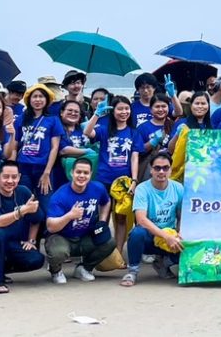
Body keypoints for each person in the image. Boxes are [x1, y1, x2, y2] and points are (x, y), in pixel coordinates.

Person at [0, 161, 44, 292]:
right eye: (6, 177)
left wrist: (31, 240)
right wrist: (21, 211)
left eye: (14, 177)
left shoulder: (23, 192)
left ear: (19, 177)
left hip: (11, 243)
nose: (10, 181)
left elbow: (37, 218)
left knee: (36, 259)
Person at [45, 158, 115, 284]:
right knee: (58, 253)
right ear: (72, 173)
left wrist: (102, 221)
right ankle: (55, 270)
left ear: (91, 174)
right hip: (62, 236)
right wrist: (69, 216)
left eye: (85, 173)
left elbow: (106, 201)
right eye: (78, 172)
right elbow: (51, 226)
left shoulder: (98, 188)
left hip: (85, 236)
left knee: (109, 241)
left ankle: (84, 268)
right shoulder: (60, 195)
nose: (82, 176)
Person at [123, 151, 184, 287]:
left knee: (189, 241)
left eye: (165, 168)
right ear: (151, 170)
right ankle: (132, 271)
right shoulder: (142, 189)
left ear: (170, 170)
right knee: (137, 233)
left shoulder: (178, 188)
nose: (161, 172)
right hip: (150, 237)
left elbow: (182, 216)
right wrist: (166, 236)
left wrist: (180, 233)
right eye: (157, 168)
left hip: (170, 235)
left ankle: (164, 263)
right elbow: (141, 220)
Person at [89, 95, 142, 248]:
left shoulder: (133, 133)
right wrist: (96, 114)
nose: (124, 112)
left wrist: (134, 180)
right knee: (102, 218)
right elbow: (87, 132)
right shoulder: (104, 130)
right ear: (113, 111)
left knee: (120, 218)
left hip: (123, 182)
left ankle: (118, 253)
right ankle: (101, 251)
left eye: (127, 108)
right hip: (103, 179)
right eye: (120, 109)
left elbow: (134, 157)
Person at [13, 83, 62, 208]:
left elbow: (54, 148)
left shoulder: (53, 120)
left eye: (41, 96)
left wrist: (47, 172)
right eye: (35, 96)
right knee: (23, 204)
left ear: (47, 100)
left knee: (46, 205)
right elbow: (15, 145)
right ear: (29, 100)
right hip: (23, 167)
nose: (38, 100)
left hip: (43, 168)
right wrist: (13, 168)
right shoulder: (21, 119)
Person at [139, 94, 184, 160]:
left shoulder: (174, 125)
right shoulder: (142, 128)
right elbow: (138, 151)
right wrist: (152, 142)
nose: (160, 109)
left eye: (163, 106)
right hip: (151, 164)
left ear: (168, 108)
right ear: (150, 109)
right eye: (157, 107)